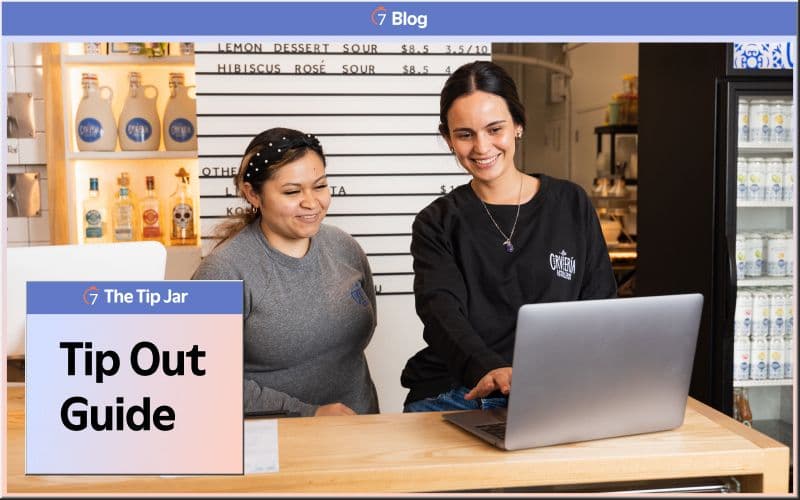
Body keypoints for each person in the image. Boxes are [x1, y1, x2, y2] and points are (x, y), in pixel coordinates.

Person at [401, 61, 617, 412]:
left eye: (495, 129)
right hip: (461, 392)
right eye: (465, 134)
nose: (482, 147)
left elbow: (600, 303)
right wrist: (490, 368)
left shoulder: (570, 203)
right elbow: (442, 315)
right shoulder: (436, 222)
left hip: (553, 391)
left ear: (518, 125)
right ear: (448, 139)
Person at [193, 127, 379, 417]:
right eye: (292, 191)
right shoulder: (222, 271)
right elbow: (205, 381)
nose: (311, 202)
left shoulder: (345, 247)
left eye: (319, 186)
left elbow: (357, 340)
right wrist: (309, 413)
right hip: (273, 442)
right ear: (252, 194)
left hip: (358, 431)